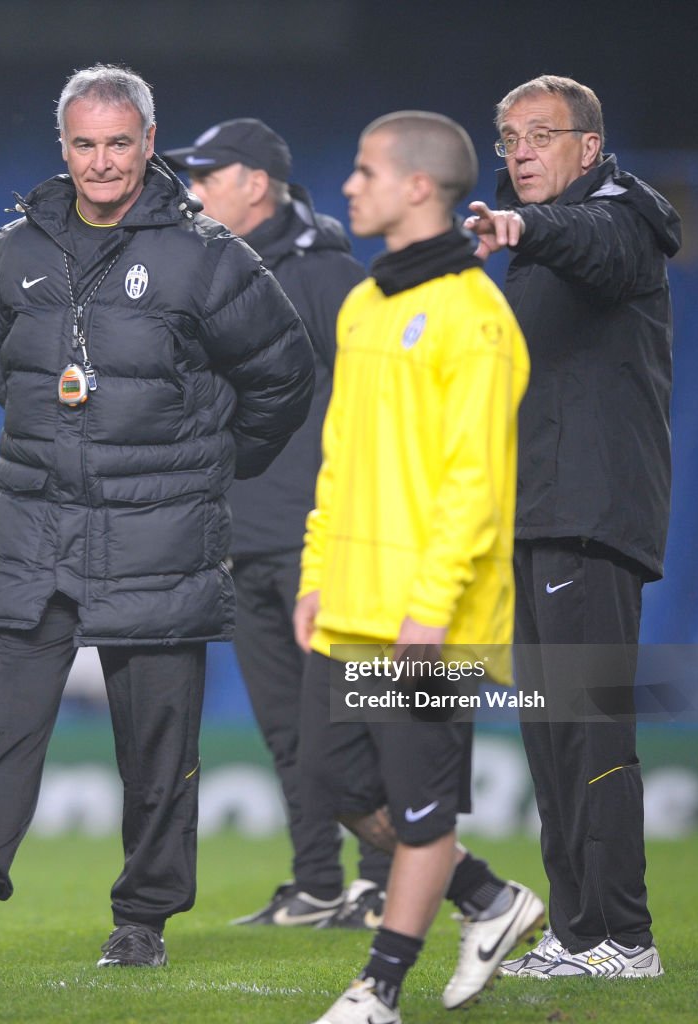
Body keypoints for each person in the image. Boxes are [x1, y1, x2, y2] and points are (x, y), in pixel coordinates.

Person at [0, 64, 314, 969]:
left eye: (118, 142)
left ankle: (143, 921)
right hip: (38, 527)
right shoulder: (10, 252)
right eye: (84, 144)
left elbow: (285, 377)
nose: (101, 162)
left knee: (158, 743)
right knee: (9, 724)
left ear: (148, 143)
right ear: (63, 147)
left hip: (159, 532)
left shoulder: (209, 256)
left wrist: (210, 464)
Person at [296, 111, 543, 1022]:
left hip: (429, 619)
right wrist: (317, 571)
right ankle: (485, 898)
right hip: (353, 605)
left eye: (364, 171)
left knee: (419, 803)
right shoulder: (366, 305)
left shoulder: (476, 317)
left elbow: (472, 483)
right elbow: (341, 457)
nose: (349, 186)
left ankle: (379, 989)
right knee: (335, 787)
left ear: (416, 188)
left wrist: (431, 607)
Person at [464, 74, 680, 980]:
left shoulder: (620, 217)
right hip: (538, 516)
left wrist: (527, 227)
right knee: (552, 740)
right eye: (509, 136)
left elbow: (595, 241)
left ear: (587, 147)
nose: (519, 152)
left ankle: (624, 936)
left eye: (540, 135)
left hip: (589, 518)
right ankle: (579, 932)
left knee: (590, 733)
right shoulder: (542, 255)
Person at [163, 119, 391, 929]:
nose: (192, 192)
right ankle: (317, 883)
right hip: (242, 539)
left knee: (350, 727)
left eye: (207, 175)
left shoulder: (328, 275)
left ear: (255, 183)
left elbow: (373, 406)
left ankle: (382, 881)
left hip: (318, 539)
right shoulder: (213, 271)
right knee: (286, 733)